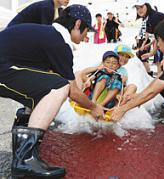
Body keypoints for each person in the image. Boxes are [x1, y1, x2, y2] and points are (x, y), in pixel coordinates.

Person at [0, 4, 104, 178]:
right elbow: (71, 90)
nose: (87, 36)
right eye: (86, 31)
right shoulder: (58, 42)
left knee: (44, 88)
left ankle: (22, 148)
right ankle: (24, 160)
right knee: (59, 86)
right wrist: (94, 107)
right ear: (77, 24)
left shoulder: (47, 34)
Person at [134, 0, 164, 75]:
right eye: (137, 8)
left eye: (141, 7)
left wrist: (152, 52)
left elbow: (159, 37)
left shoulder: (154, 17)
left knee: (163, 63)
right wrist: (149, 44)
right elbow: (157, 36)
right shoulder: (148, 18)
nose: (139, 10)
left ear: (147, 5)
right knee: (160, 62)